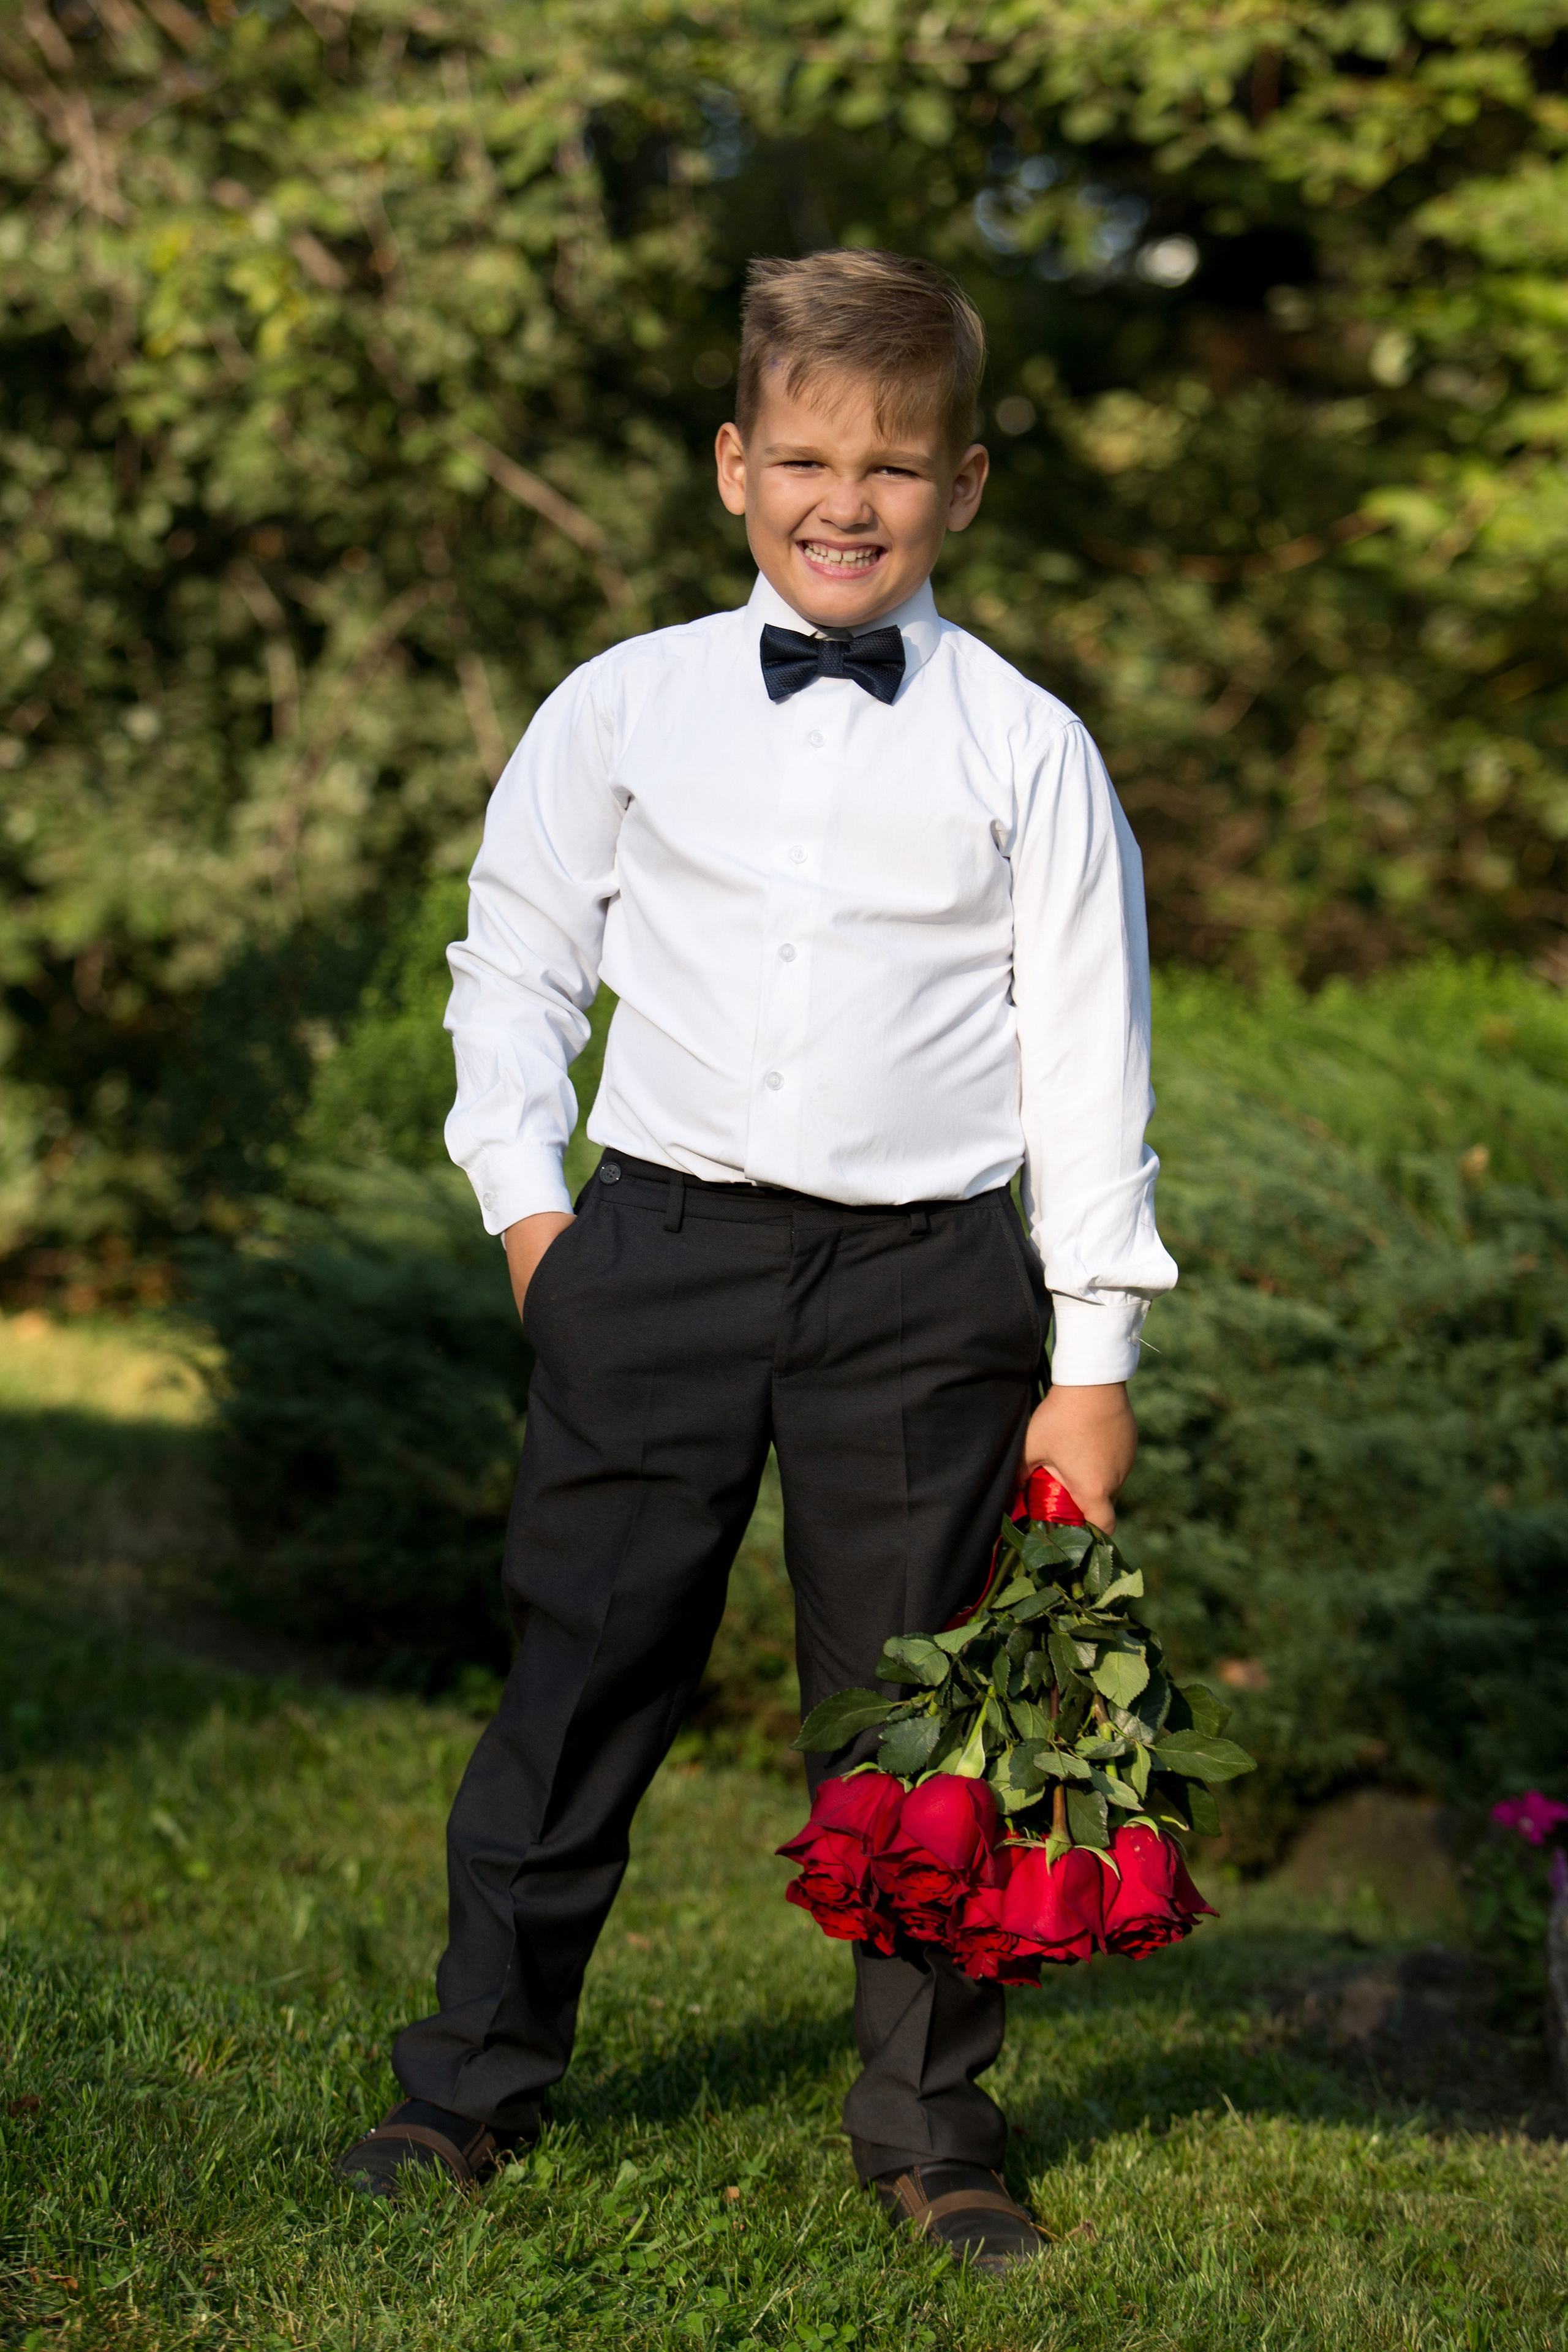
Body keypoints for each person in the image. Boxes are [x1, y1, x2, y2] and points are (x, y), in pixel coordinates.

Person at [334, 248, 1177, 2271]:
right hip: (660, 1251)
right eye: (806, 454)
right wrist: (539, 1229)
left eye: (894, 464)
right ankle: (466, 2083)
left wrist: (1095, 1353)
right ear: (733, 464)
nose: (846, 499)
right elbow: (512, 970)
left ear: (963, 486)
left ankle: (934, 2129)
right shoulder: (620, 707)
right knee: (578, 1681)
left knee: (912, 1732)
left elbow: (1089, 1060)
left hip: (925, 1290)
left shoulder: (1027, 749)